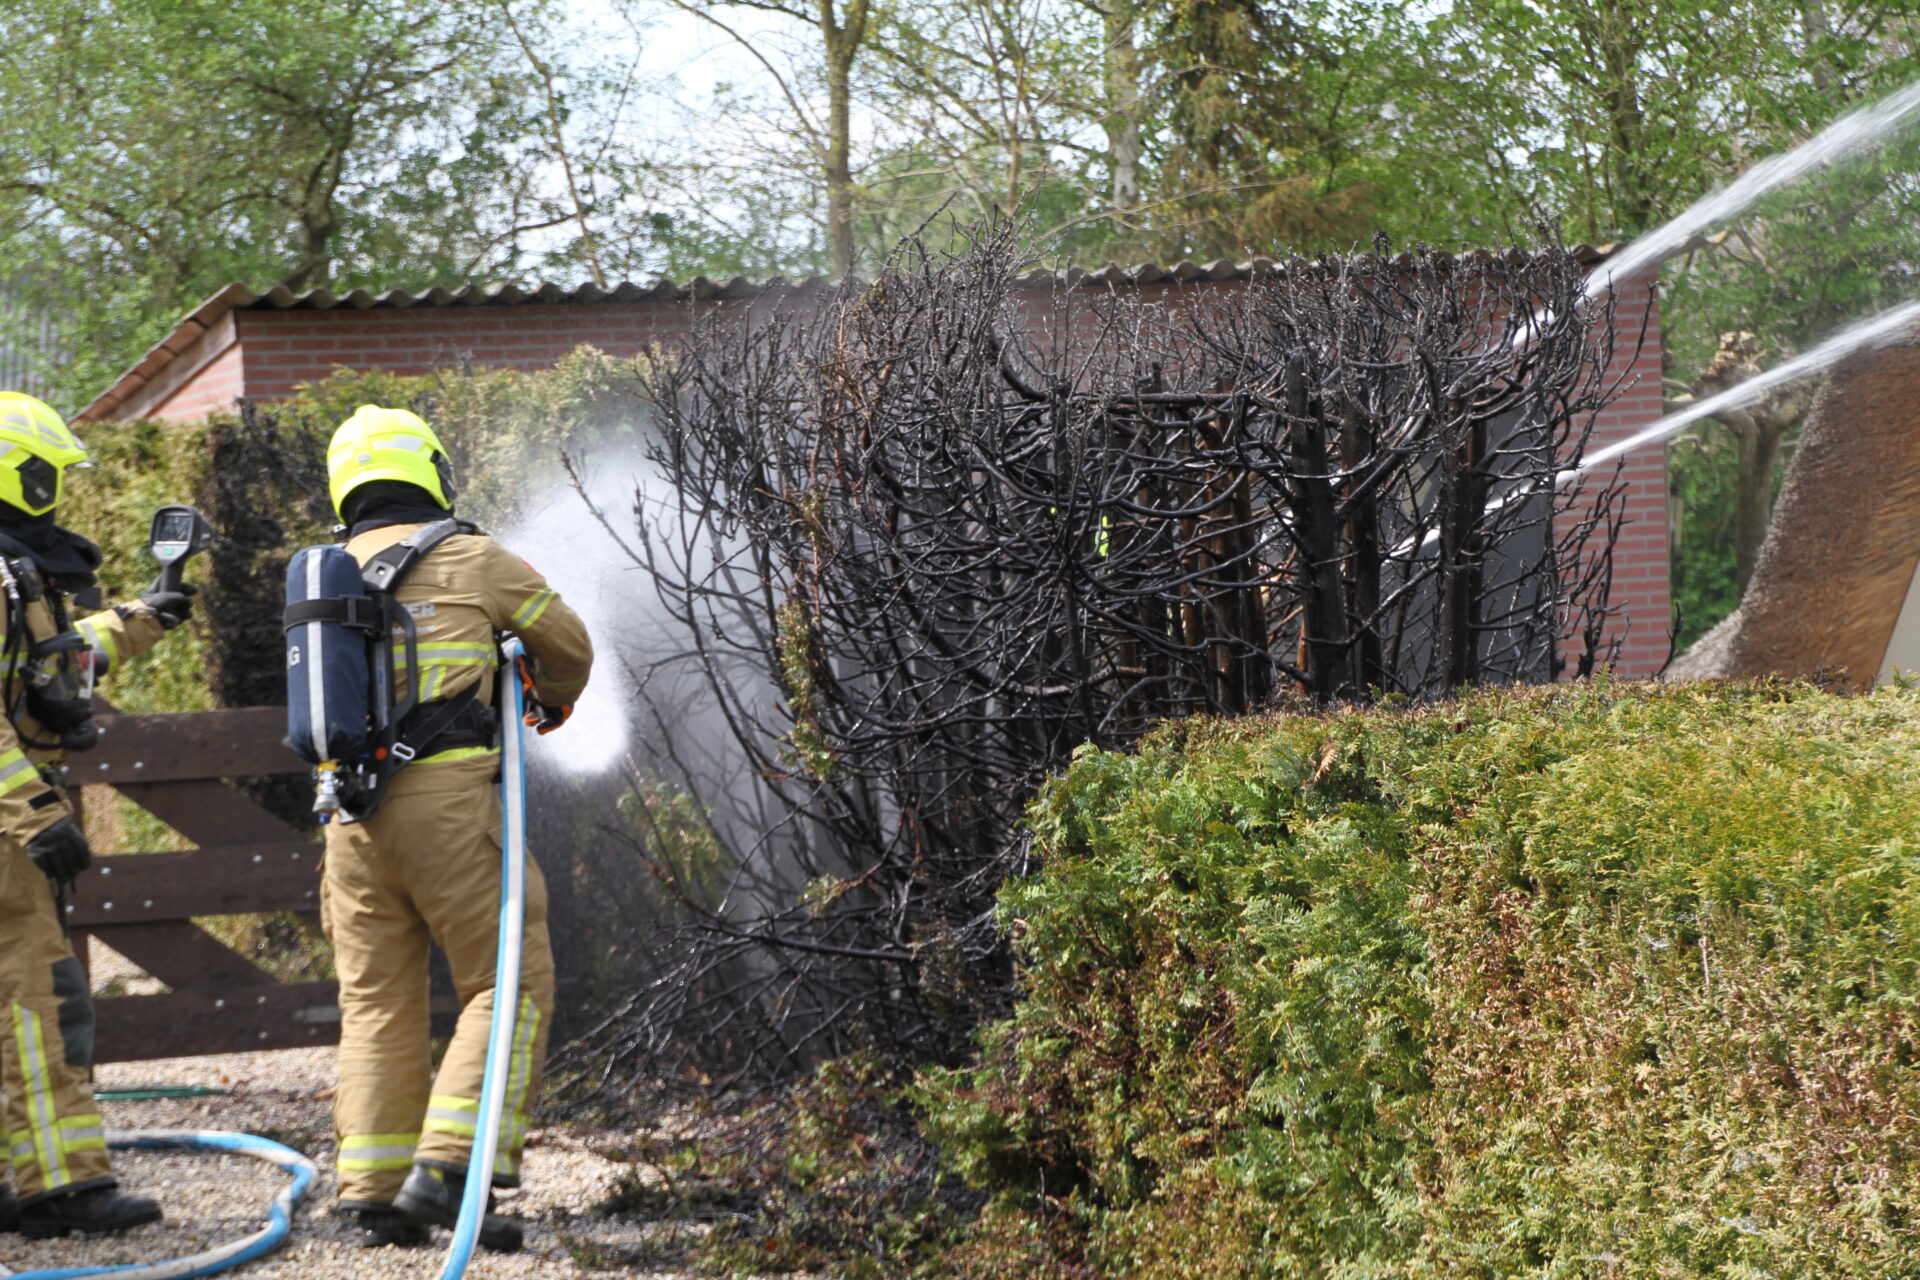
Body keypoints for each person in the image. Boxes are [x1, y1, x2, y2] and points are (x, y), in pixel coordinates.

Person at [315, 405, 591, 1250]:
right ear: (430, 471)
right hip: (450, 807)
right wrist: (549, 694)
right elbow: (569, 645)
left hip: (347, 818)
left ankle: (370, 1192)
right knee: (507, 980)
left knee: (375, 1003)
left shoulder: (323, 575)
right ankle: (449, 1170)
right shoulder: (471, 558)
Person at [0, 392, 197, 1238]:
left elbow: (53, 670)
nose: (60, 495)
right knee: (40, 997)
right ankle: (63, 1187)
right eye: (51, 476)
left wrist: (143, 618)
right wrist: (34, 813)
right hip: (7, 822)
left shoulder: (13, 571)